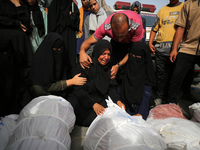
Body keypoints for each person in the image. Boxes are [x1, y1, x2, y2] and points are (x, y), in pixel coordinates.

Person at [68, 39, 125, 127]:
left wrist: (118, 101)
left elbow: (111, 88)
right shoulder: (86, 65)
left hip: (99, 99)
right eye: (103, 54)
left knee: (112, 115)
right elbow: (79, 90)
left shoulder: (109, 67)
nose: (106, 58)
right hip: (83, 100)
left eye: (108, 54)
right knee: (95, 120)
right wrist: (93, 104)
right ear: (97, 52)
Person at [79, 10, 144, 84]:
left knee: (132, 69)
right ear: (111, 28)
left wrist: (118, 65)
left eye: (122, 35)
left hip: (133, 43)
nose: (120, 39)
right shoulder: (106, 27)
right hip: (115, 44)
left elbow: (133, 50)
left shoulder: (136, 24)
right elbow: (88, 42)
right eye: (116, 36)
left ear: (129, 27)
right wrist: (82, 52)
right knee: (112, 68)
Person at [0, 0, 33, 116]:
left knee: (21, 77)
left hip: (21, 47)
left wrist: (18, 5)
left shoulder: (21, 4)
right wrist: (17, 23)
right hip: (5, 47)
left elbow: (27, 24)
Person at [30, 32, 87, 98]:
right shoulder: (42, 60)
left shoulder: (63, 55)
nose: (59, 52)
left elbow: (69, 69)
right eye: (56, 49)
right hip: (41, 91)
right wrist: (71, 82)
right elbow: (47, 86)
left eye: (61, 49)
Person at [149, 0, 184, 105]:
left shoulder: (184, 7)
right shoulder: (162, 10)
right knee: (161, 75)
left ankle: (171, 100)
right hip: (161, 49)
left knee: (175, 76)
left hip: (178, 49)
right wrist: (150, 42)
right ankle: (160, 97)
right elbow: (155, 28)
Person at [167, 0, 200, 104]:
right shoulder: (188, 4)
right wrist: (174, 49)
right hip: (188, 47)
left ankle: (187, 93)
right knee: (177, 76)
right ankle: (171, 103)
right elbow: (181, 27)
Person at [121, 42, 156, 120]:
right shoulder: (125, 70)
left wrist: (140, 113)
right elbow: (120, 90)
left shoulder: (147, 75)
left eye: (138, 57)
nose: (134, 58)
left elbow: (146, 94)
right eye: (132, 56)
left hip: (140, 106)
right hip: (125, 106)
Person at [48, 0, 80, 76]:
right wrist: (68, 17)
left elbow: (76, 21)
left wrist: (69, 17)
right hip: (57, 37)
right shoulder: (54, 4)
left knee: (71, 61)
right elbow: (52, 23)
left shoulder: (72, 5)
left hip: (70, 37)